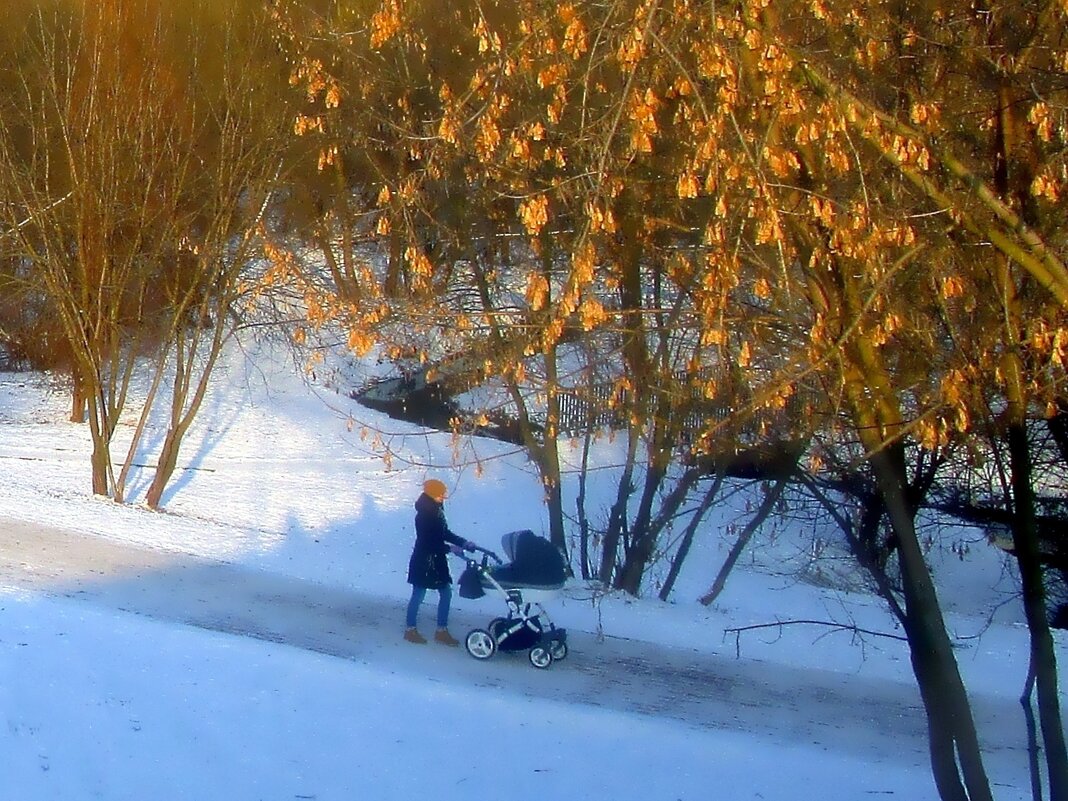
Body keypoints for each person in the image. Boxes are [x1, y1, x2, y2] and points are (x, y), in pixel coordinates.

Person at [404, 478, 473, 645]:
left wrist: (462, 542)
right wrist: (450, 549)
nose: (443, 497)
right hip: (424, 561)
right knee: (418, 594)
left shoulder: (437, 510)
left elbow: (444, 533)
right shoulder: (423, 515)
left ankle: (441, 630)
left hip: (437, 560)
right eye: (441, 494)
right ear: (432, 494)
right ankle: (410, 630)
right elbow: (429, 542)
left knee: (446, 593)